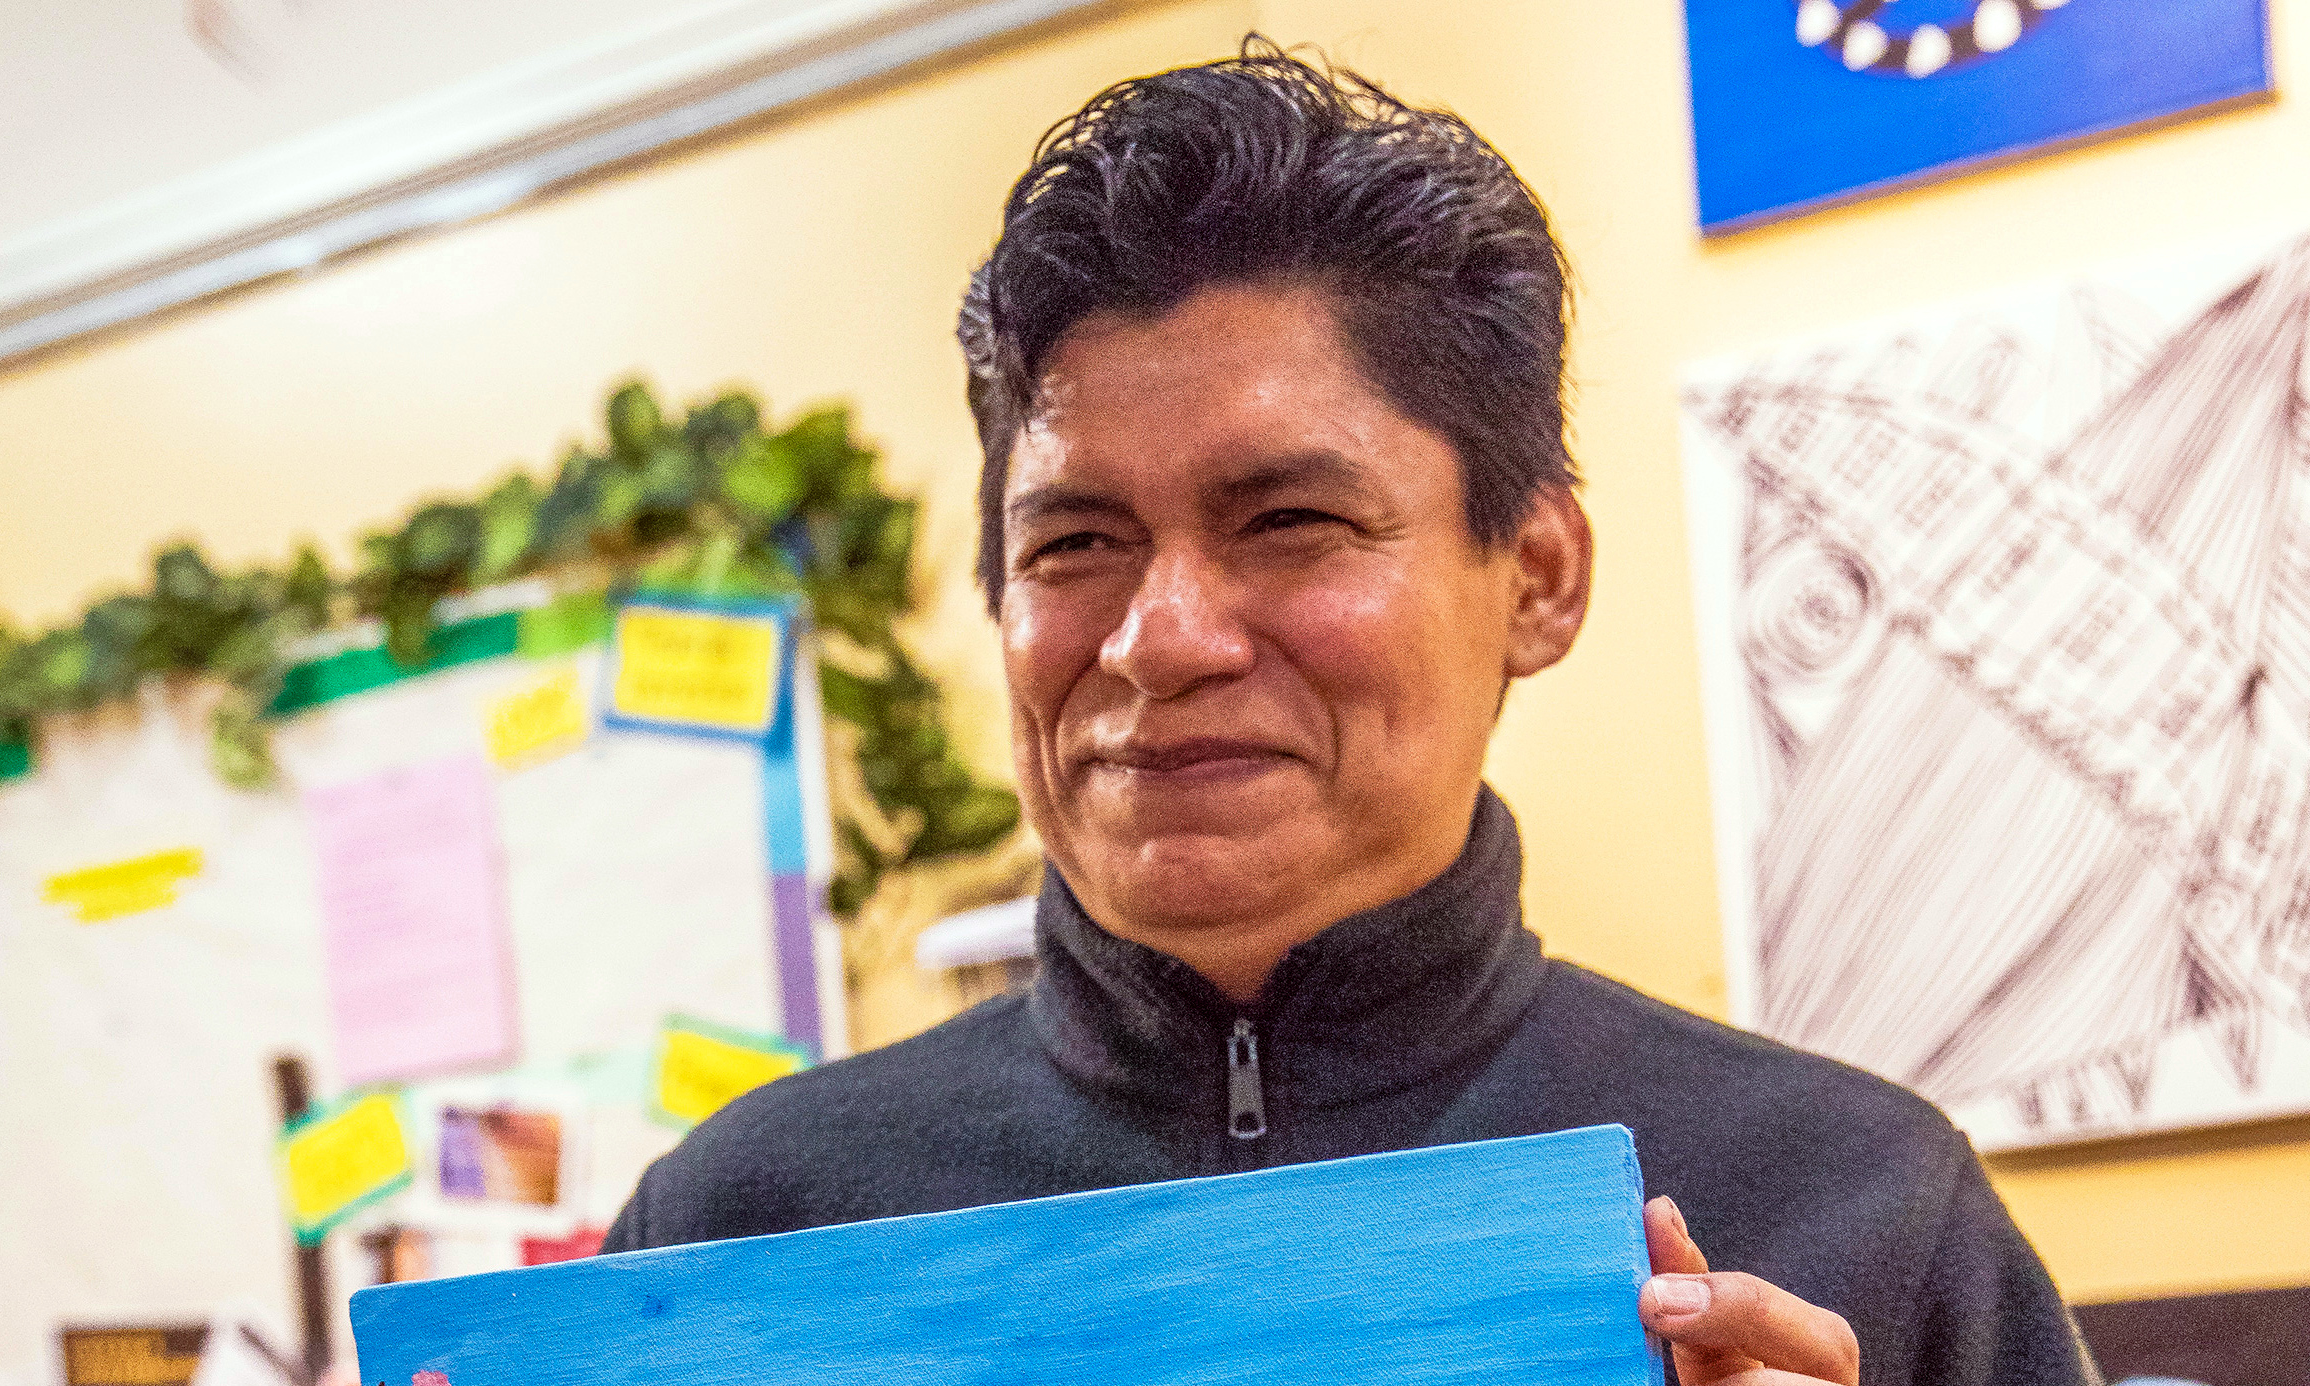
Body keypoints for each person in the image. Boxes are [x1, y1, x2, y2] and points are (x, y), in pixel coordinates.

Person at [606, 39, 2097, 1385]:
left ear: (1538, 575)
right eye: (1073, 544)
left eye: (1292, 519)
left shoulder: (1865, 1212)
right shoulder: (729, 1234)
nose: (1159, 638)